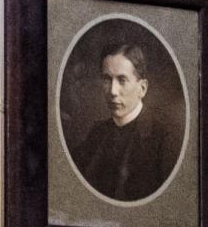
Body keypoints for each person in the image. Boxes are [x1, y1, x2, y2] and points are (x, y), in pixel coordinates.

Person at [68, 37, 184, 204]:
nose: (113, 91)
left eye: (122, 80)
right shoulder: (97, 133)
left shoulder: (165, 140)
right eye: (107, 79)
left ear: (142, 88)